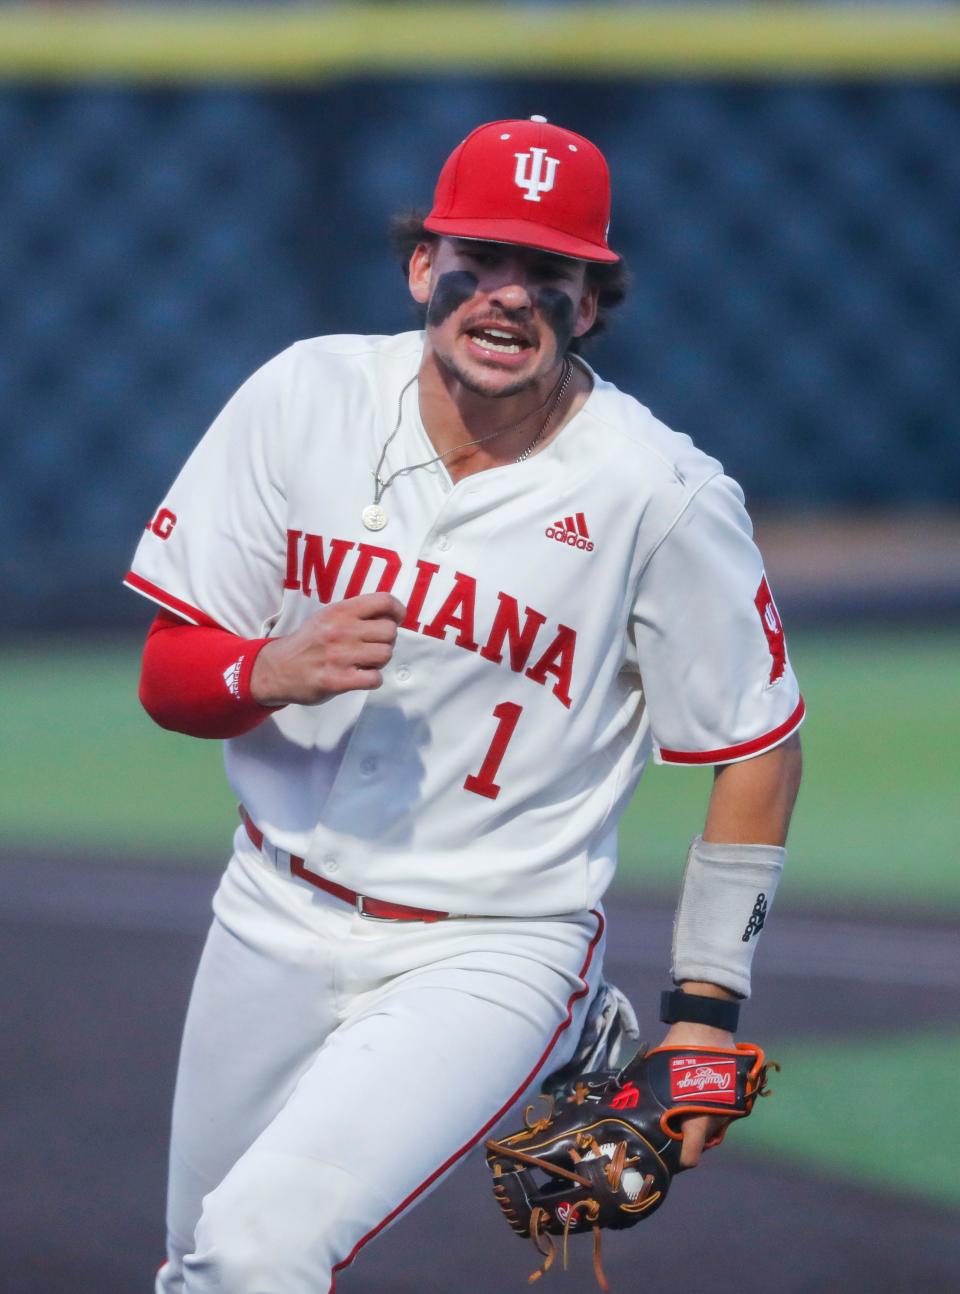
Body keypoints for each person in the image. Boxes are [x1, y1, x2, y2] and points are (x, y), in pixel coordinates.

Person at [126, 116, 803, 1294]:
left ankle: (567, 1011)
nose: (506, 298)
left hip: (494, 941)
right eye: (477, 261)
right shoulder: (304, 396)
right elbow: (168, 679)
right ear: (417, 267)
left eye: (549, 273)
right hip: (270, 907)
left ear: (591, 303)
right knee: (196, 1265)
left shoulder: (662, 492)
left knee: (261, 1252)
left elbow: (757, 742)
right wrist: (265, 670)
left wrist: (703, 1005)